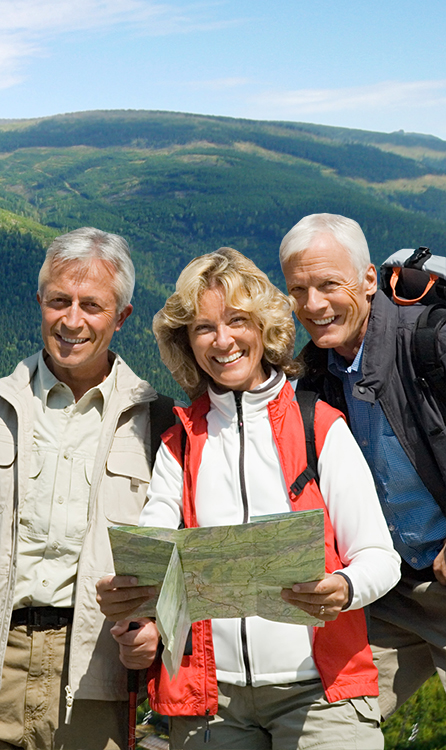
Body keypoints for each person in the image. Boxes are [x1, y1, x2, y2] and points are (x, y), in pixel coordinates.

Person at [96, 248, 400, 749]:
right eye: (203, 328)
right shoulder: (181, 442)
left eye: (238, 320)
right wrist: (135, 607)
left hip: (322, 695)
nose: (223, 341)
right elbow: (154, 561)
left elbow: (379, 558)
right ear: (186, 341)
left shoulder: (318, 426)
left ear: (264, 327)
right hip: (213, 703)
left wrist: (342, 588)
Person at [0, 227, 167, 750]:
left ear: (121, 317)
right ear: (40, 302)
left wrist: (156, 632)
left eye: (91, 306)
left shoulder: (156, 419)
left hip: (96, 670)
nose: (71, 320)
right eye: (59, 301)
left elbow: (178, 557)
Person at [280, 213, 446, 718]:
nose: (313, 305)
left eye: (329, 284)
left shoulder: (431, 343)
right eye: (298, 290)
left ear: (369, 280)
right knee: (331, 720)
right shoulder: (313, 380)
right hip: (389, 593)